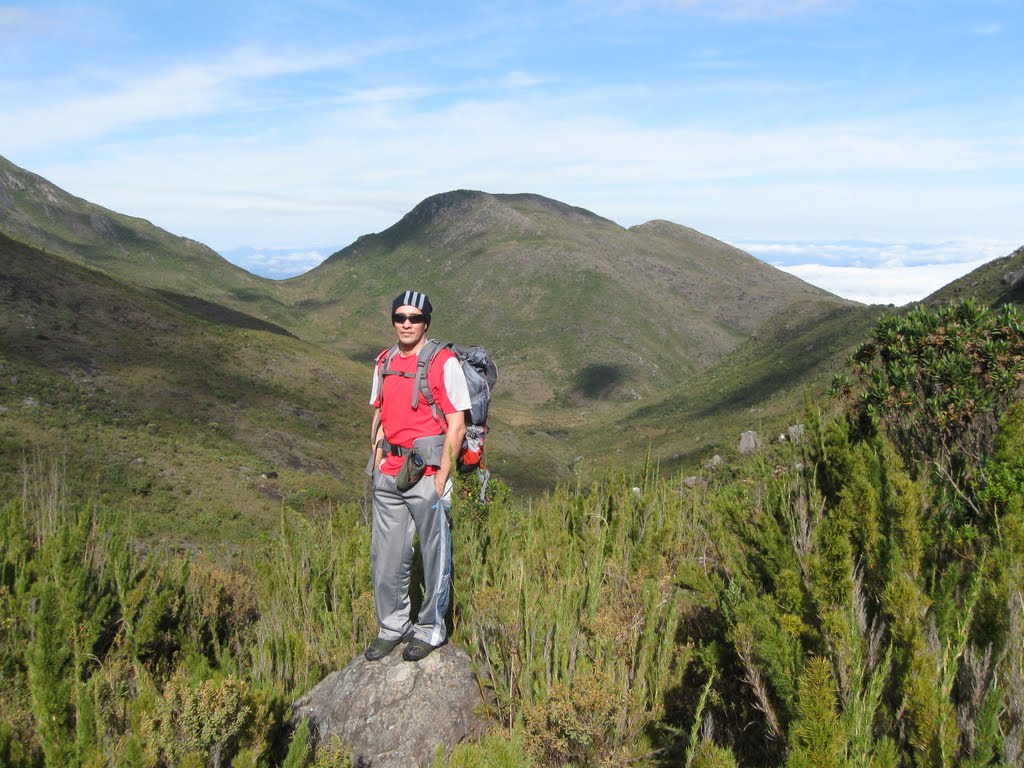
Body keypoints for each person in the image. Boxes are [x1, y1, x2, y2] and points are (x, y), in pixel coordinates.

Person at [364, 290, 469, 662]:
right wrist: (377, 457)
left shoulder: (444, 362)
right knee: (386, 557)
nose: (406, 323)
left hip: (427, 475)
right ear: (393, 319)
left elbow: (456, 422)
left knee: (434, 554)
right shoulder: (385, 361)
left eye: (415, 318)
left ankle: (430, 629)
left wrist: (443, 474)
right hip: (389, 473)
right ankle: (392, 626)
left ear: (426, 322)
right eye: (400, 317)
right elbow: (379, 412)